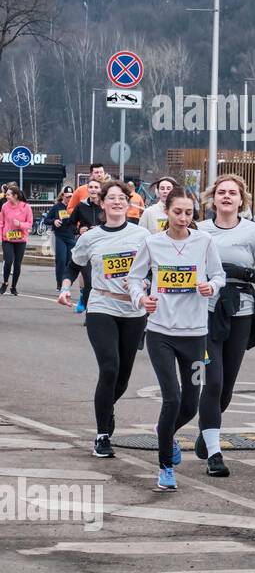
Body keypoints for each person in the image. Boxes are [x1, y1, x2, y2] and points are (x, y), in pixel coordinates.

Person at [127, 191, 226, 492]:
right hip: (160, 334)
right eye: (178, 212)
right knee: (171, 397)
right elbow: (134, 278)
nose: (184, 219)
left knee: (191, 404)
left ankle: (164, 433)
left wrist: (211, 286)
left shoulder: (205, 242)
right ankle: (165, 468)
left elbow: (219, 275)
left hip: (196, 335)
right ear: (166, 212)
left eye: (189, 213)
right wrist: (142, 299)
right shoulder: (152, 243)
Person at [194, 174, 255, 477]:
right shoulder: (200, 230)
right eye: (221, 192)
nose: (227, 197)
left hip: (241, 311)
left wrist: (240, 271)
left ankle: (207, 432)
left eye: (233, 193)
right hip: (205, 311)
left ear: (242, 200)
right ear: (212, 199)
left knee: (226, 388)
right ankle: (215, 453)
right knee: (212, 380)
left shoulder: (253, 232)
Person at [59, 180, 148, 458]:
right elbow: (73, 265)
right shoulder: (91, 237)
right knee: (109, 368)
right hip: (101, 306)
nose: (118, 202)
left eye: (122, 198)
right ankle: (102, 435)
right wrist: (64, 287)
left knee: (122, 379)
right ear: (102, 203)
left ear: (129, 202)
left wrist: (146, 284)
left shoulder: (142, 236)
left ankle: (106, 410)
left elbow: (155, 268)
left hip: (133, 310)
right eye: (112, 198)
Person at [69, 180, 107, 311]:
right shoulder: (81, 206)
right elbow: (71, 224)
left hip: (103, 247)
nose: (93, 190)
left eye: (96, 187)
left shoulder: (105, 206)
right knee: (89, 280)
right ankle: (87, 308)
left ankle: (98, 308)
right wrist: (78, 230)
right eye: (90, 187)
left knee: (100, 281)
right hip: (86, 247)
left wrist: (101, 228)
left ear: (100, 190)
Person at [42, 185, 78, 291]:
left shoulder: (75, 207)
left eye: (71, 196)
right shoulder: (57, 207)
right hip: (59, 236)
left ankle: (66, 282)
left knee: (69, 261)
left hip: (71, 236)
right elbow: (46, 220)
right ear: (62, 196)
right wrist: (54, 221)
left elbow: (80, 219)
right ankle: (60, 283)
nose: (69, 199)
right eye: (67, 196)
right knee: (61, 260)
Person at [1, 186, 33, 295]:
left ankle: (13, 286)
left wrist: (20, 224)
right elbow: (1, 222)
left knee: (17, 264)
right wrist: (1, 235)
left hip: (21, 239)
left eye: (9, 194)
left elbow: (29, 224)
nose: (6, 196)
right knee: (8, 260)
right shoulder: (5, 206)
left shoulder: (26, 207)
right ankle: (5, 282)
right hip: (7, 238)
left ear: (15, 196)